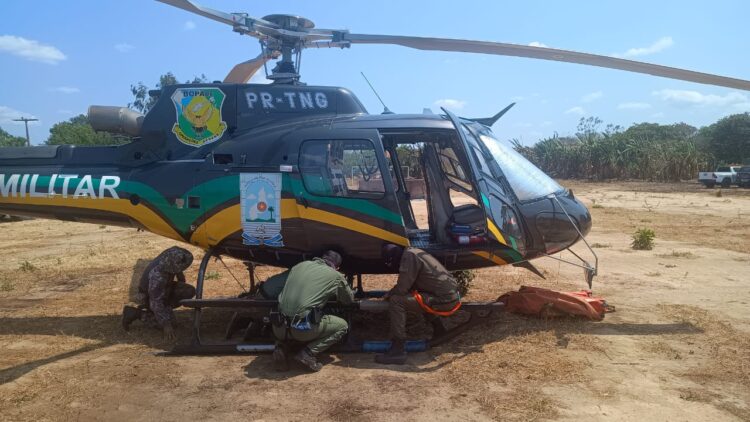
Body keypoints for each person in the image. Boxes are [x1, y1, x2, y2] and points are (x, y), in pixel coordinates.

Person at [375, 244, 460, 365]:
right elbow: (411, 285)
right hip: (449, 296)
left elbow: (402, 289)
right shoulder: (413, 252)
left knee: (396, 301)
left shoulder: (409, 257)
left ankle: (398, 350)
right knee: (418, 295)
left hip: (443, 301)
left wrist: (389, 294)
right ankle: (439, 329)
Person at [272, 250, 354, 372]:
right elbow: (348, 300)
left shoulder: (299, 266)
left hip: (278, 327)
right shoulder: (335, 276)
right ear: (337, 267)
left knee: (291, 313)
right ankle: (307, 353)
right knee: (342, 326)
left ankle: (281, 347)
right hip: (304, 329)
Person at [121, 246, 195, 340]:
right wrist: (166, 324)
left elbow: (178, 270)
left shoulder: (172, 254)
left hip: (165, 287)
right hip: (150, 296)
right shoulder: (157, 277)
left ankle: (165, 307)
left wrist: (180, 279)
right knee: (171, 324)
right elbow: (155, 302)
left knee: (188, 291)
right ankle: (136, 313)